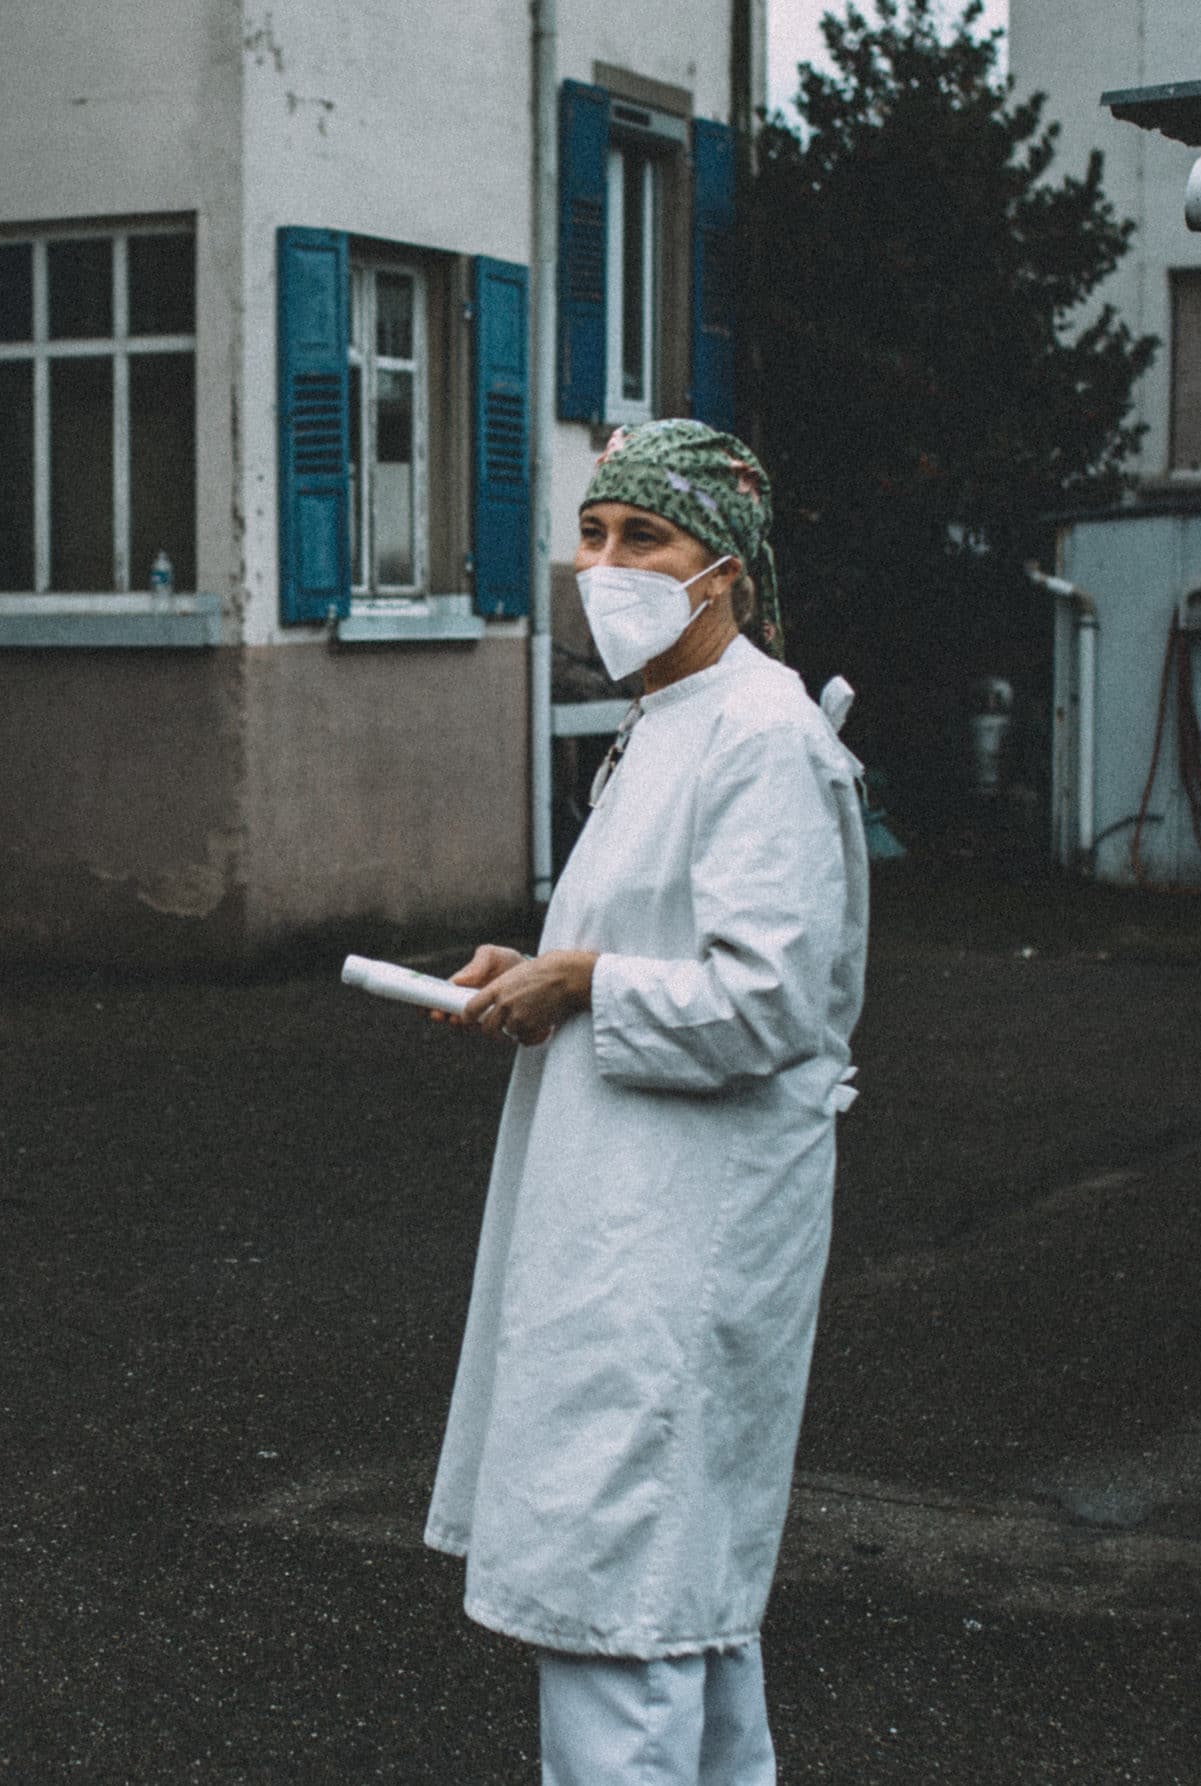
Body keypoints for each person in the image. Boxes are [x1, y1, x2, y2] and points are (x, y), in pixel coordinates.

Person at [422, 419, 868, 1786]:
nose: (604, 562)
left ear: (721, 568)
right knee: (683, 1606)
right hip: (629, 1221)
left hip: (684, 1240)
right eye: (595, 531)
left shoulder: (763, 737)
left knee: (631, 1604)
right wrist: (542, 968)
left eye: (643, 537)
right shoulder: (670, 724)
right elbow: (654, 940)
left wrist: (584, 985)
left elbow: (770, 998)